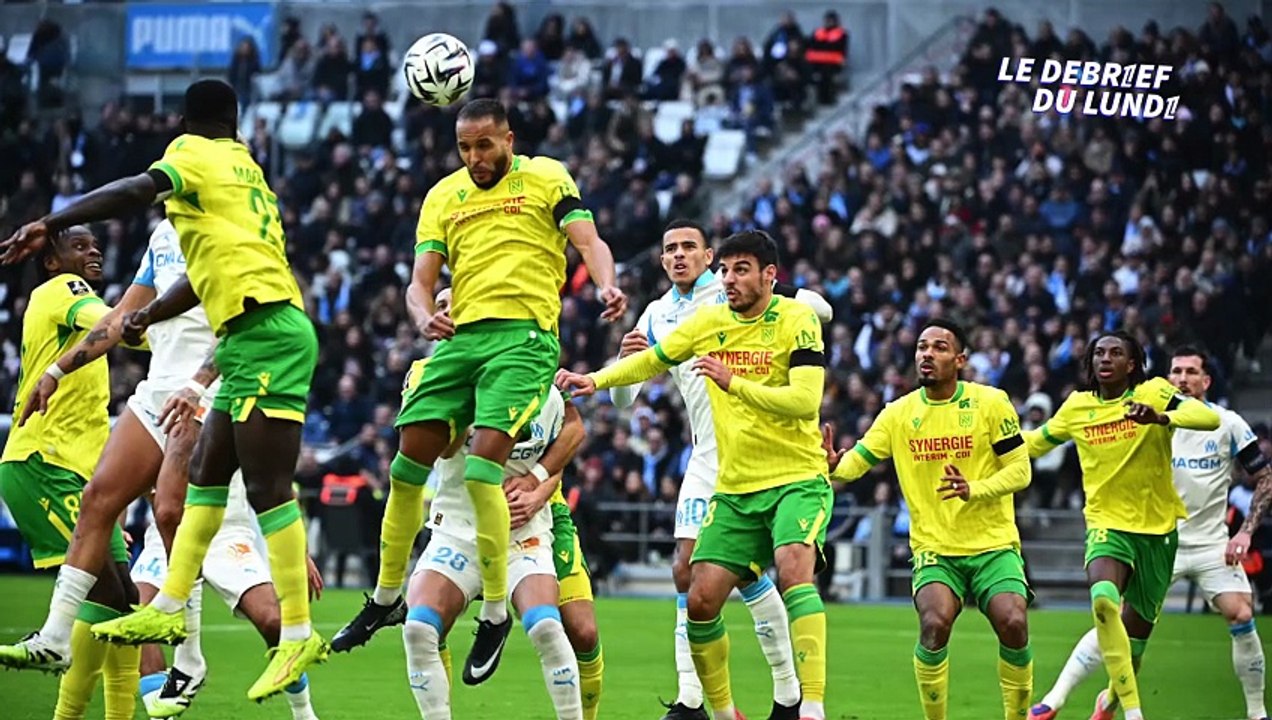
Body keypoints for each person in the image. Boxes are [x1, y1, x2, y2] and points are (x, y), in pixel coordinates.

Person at [1, 78, 325, 702]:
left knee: (180, 510)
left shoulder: (198, 165)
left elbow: (136, 193)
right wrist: (58, 368)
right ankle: (55, 636)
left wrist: (52, 218)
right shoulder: (187, 223)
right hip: (159, 387)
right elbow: (141, 309)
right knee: (102, 497)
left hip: (217, 375)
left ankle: (197, 652)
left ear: (184, 128)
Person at [330, 98, 626, 689]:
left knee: (484, 464)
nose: (475, 158)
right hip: (462, 339)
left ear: (508, 140)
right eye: (465, 147)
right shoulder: (443, 195)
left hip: (524, 340)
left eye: (485, 145)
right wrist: (420, 317)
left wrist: (606, 284)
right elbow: (421, 283)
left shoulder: (545, 176)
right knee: (407, 464)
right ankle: (386, 596)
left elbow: (587, 240)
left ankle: (494, 611)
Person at [559, 229, 830, 720]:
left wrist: (740, 375)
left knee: (783, 572)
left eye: (691, 249)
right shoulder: (665, 315)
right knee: (692, 581)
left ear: (708, 256)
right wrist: (598, 377)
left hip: (788, 466)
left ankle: (799, 700)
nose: (680, 256)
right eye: (669, 249)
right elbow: (641, 376)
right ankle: (697, 702)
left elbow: (807, 380)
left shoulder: (776, 306)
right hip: (715, 462)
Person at [1032, 345, 1271, 720]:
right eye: (1176, 371)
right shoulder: (1143, 415)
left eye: (1192, 372)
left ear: (1206, 381)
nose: (1183, 379)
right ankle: (1059, 697)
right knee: (1118, 619)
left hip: (1211, 543)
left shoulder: (1226, 423)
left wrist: (1246, 532)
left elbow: (1264, 475)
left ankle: (1257, 713)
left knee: (1241, 614)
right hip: (1157, 538)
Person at [823, 319, 1034, 720]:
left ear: (960, 359)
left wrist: (975, 488)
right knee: (935, 624)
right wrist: (833, 464)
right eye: (922, 347)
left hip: (993, 545)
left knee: (1013, 622)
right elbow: (856, 464)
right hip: (936, 549)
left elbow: (1020, 470)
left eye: (939, 347)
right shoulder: (898, 414)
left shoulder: (991, 403)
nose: (927, 354)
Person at [0, 226, 139, 720]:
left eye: (96, 244)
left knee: (125, 605)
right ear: (53, 262)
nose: (93, 250)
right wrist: (156, 317)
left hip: (86, 475)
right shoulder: (62, 291)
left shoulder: (68, 305)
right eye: (78, 246)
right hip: (45, 463)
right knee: (106, 594)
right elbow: (114, 322)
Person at [403, 354, 582, 719]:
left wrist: (535, 484)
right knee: (418, 629)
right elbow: (442, 449)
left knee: (547, 626)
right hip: (459, 530)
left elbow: (573, 430)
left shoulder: (539, 380)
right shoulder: (437, 377)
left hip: (522, 534)